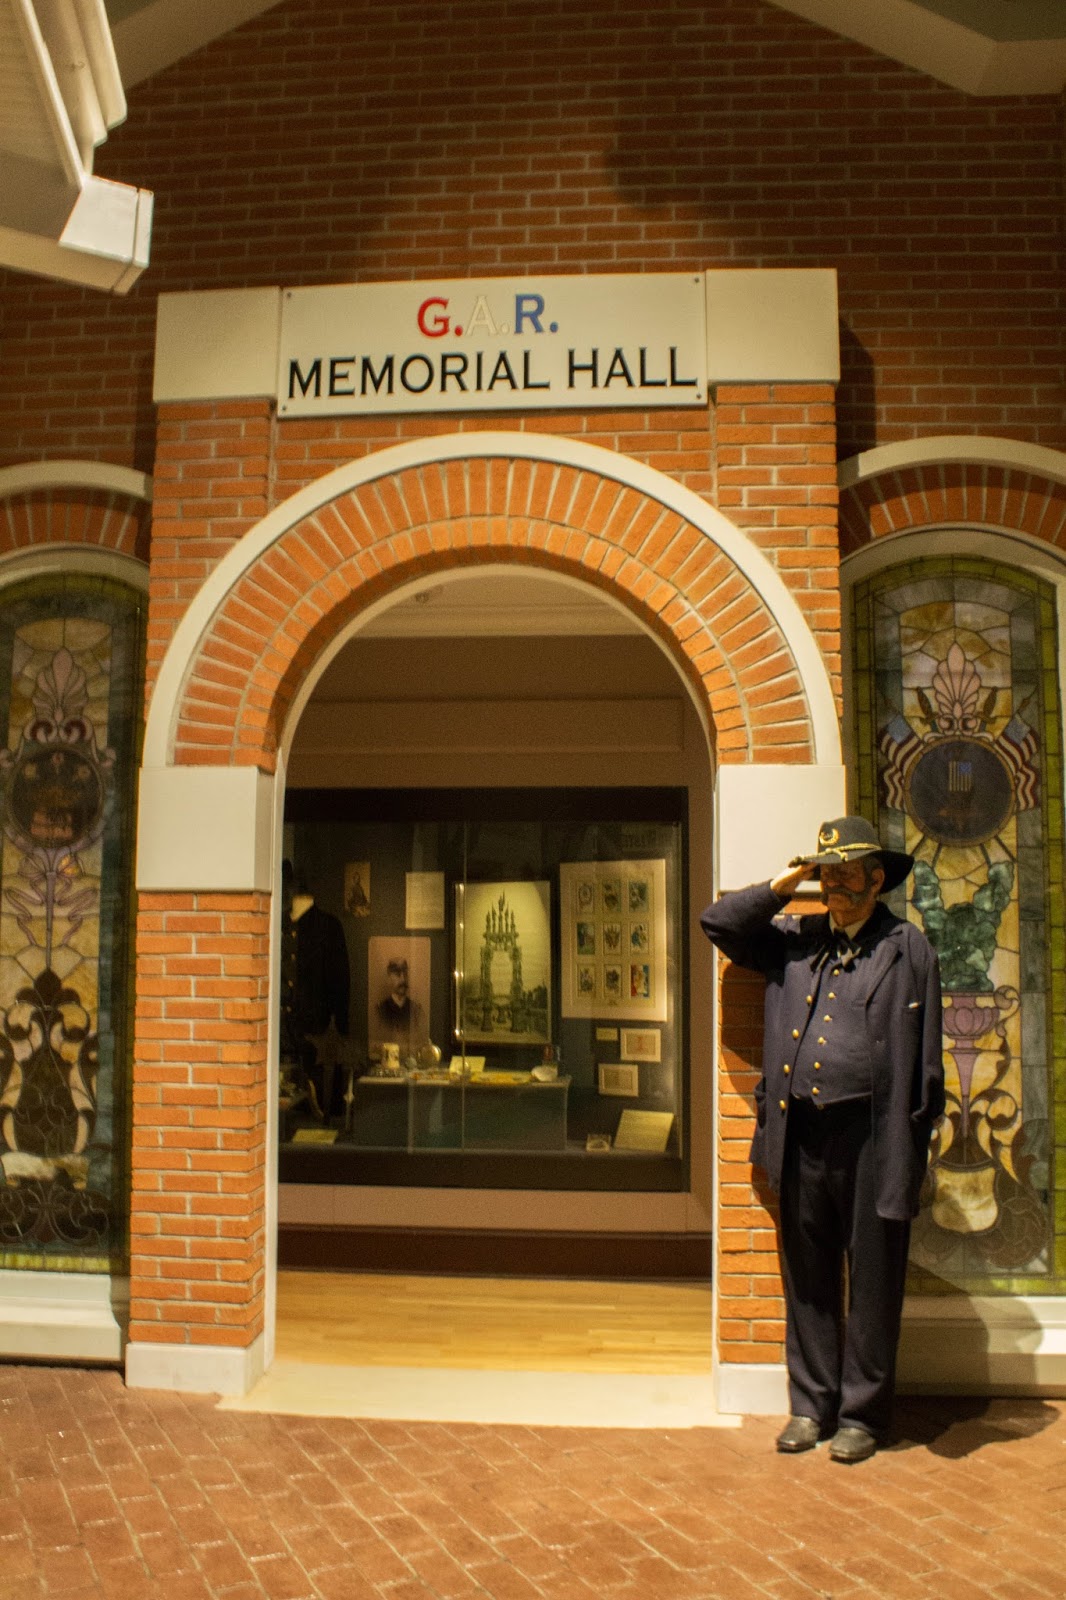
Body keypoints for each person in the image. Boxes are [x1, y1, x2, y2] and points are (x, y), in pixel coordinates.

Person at [700, 816, 944, 1463]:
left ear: (876, 879)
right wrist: (787, 884)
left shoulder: (908, 947)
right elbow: (719, 924)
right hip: (802, 1134)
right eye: (827, 872)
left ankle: (863, 1414)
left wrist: (912, 1148)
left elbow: (926, 1065)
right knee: (807, 1276)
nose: (836, 885)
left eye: (847, 873)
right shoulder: (794, 939)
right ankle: (812, 1405)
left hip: (872, 1138)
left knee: (872, 1280)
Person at [373, 955, 427, 1051]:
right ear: (389, 977)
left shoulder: (416, 1010)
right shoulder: (379, 1010)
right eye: (398, 974)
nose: (403, 979)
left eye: (405, 973)